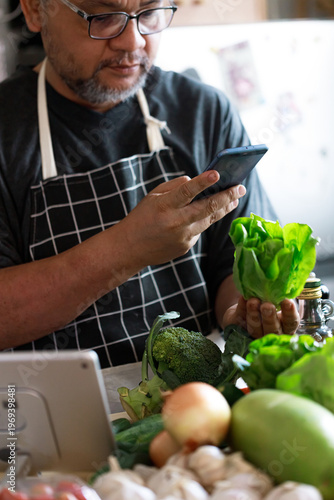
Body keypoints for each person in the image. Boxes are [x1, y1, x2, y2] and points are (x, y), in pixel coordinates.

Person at [0, 0, 299, 368]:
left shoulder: (203, 112)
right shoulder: (7, 131)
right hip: (46, 410)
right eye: (103, 17)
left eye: (149, 14)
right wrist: (126, 250)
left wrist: (244, 313)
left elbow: (231, 266)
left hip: (194, 406)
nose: (133, 42)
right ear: (35, 11)